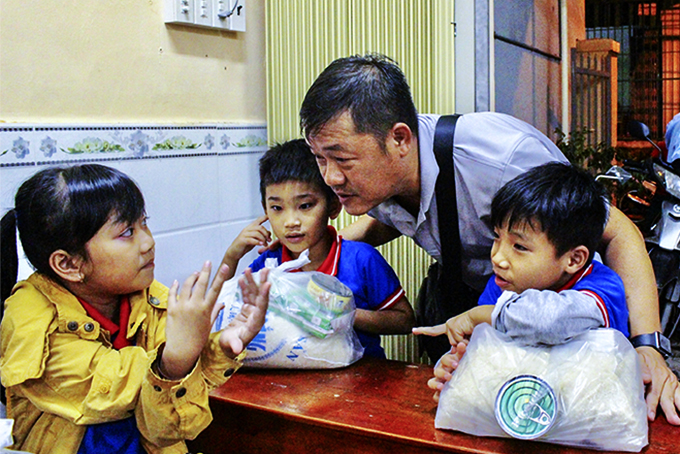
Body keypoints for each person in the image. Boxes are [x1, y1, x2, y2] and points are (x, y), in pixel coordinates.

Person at [299, 53, 680, 423]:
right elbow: (388, 220)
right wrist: (307, 261)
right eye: (319, 159)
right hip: (489, 309)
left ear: (400, 139)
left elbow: (617, 232)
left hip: (562, 324)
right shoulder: (374, 180)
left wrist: (647, 346)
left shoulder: (500, 160)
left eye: (342, 160)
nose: (330, 177)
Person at [0, 164, 271, 453]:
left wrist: (223, 347)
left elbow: (170, 425)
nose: (148, 242)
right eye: (127, 232)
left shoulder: (151, 298)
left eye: (144, 223)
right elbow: (116, 386)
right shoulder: (29, 318)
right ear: (69, 264)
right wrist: (175, 360)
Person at [415, 162, 629, 400]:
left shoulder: (601, 287)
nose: (497, 257)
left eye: (519, 246)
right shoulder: (502, 285)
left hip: (595, 413)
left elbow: (547, 321)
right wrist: (457, 371)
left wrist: (478, 316)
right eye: (497, 237)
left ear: (574, 259)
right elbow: (488, 356)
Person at [220, 138, 415, 358]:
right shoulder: (269, 264)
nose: (290, 221)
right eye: (277, 208)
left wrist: (347, 316)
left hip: (360, 381)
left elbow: (404, 320)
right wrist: (231, 257)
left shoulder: (360, 259)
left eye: (305, 206)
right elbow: (223, 311)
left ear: (333, 206)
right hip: (287, 380)